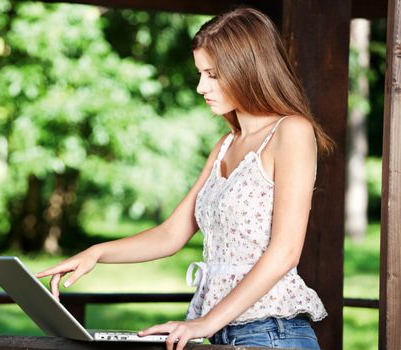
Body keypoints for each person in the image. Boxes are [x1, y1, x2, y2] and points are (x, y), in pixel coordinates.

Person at [36, 7, 332, 349]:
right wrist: (96, 253)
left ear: (247, 68)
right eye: (200, 73)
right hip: (223, 334)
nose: (200, 86)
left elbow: (285, 251)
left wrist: (204, 322)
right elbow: (171, 233)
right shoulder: (225, 145)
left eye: (212, 74)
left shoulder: (291, 131)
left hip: (272, 334)